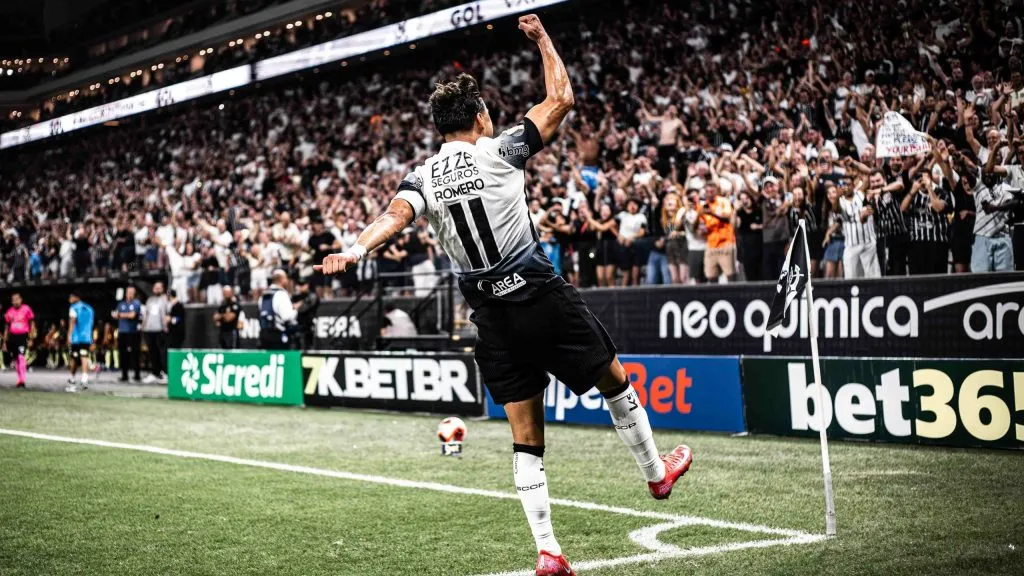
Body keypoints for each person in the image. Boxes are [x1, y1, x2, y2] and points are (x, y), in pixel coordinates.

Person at [315, 16, 690, 576]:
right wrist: (541, 40)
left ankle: (549, 551)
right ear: (479, 118)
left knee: (525, 437)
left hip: (489, 315)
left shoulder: (423, 178)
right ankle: (655, 472)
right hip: (539, 294)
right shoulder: (501, 150)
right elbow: (560, 98)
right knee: (614, 380)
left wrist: (355, 249)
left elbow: (393, 217)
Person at [258, 270, 297, 350]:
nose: (287, 281)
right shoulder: (281, 294)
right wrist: (296, 310)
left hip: (264, 334)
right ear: (281, 279)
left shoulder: (263, 295)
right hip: (277, 335)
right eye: (286, 278)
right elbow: (286, 316)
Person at [3, 292, 35, 388]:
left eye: (17, 299)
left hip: (23, 336)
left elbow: (32, 324)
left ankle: (22, 380)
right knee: (16, 358)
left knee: (21, 357)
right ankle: (19, 379)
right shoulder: (9, 311)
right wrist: (5, 341)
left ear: (21, 299)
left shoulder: (27, 309)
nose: (15, 301)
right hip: (12, 337)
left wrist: (31, 338)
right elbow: (6, 327)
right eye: (13, 300)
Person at [141, 282, 170, 383]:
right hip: (149, 330)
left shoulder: (165, 299)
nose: (157, 289)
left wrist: (166, 327)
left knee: (162, 353)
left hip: (160, 330)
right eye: (155, 288)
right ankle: (155, 373)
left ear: (162, 289)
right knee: (152, 353)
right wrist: (143, 327)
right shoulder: (149, 300)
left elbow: (168, 313)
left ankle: (165, 374)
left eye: (159, 288)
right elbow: (146, 314)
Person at [113, 285, 142, 382]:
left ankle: (137, 375)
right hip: (122, 332)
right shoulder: (121, 304)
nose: (129, 294)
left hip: (133, 332)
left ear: (134, 294)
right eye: (128, 292)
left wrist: (121, 315)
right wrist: (122, 315)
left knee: (135, 353)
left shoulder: (136, 303)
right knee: (123, 354)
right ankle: (124, 375)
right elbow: (116, 315)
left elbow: (132, 315)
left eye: (131, 292)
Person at [67, 291, 95, 392]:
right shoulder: (90, 308)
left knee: (74, 358)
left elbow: (72, 322)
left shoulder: (74, 308)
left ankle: (72, 379)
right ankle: (84, 380)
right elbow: (91, 324)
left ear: (76, 297)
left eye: (71, 297)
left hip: (76, 338)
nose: (69, 299)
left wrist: (69, 336)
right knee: (84, 357)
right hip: (86, 337)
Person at [293, 278, 320, 350]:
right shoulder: (295, 296)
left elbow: (303, 309)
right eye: (299, 285)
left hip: (309, 325)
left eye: (302, 285)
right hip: (298, 325)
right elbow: (289, 307)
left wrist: (299, 304)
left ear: (307, 285)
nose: (300, 287)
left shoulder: (312, 296)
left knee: (309, 346)